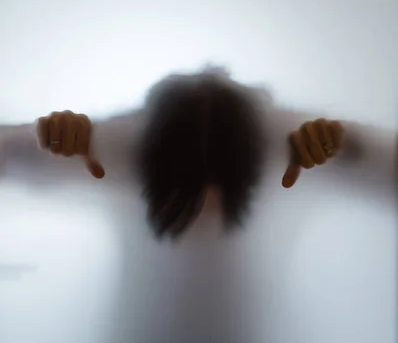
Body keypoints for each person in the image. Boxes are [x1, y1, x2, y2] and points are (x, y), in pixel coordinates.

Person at [8, 66, 391, 238]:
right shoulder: (119, 145)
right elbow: (17, 151)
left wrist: (356, 152)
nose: (207, 205)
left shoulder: (286, 139)